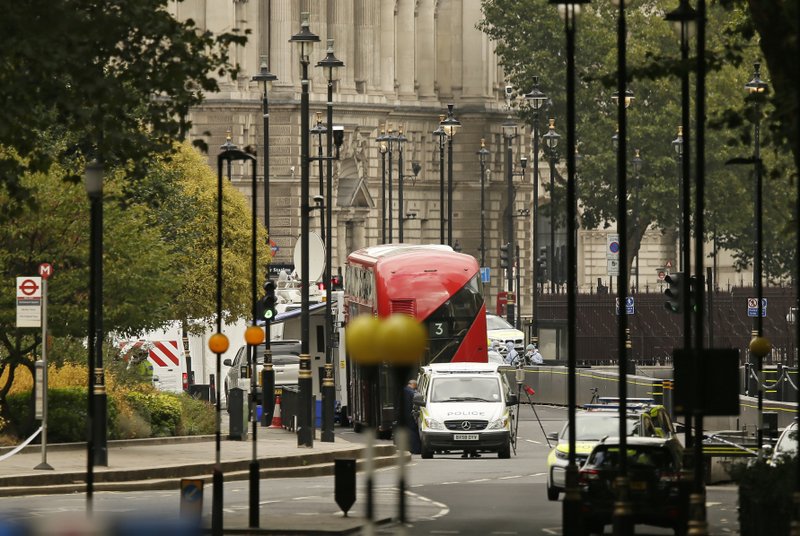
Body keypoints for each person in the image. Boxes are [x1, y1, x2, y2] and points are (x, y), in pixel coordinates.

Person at [403, 379, 422, 454]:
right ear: (413, 384)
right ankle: (416, 449)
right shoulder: (411, 392)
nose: (416, 387)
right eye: (416, 386)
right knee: (413, 432)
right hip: (410, 415)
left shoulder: (405, 390)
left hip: (405, 415)